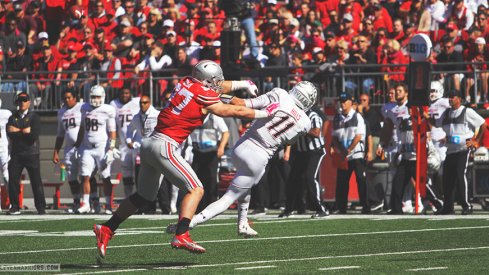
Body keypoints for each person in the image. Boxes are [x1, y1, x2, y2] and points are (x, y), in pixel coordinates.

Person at [94, 60, 266, 257]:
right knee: (196, 189)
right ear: (208, 81)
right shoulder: (203, 92)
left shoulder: (186, 82)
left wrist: (243, 84)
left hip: (149, 145)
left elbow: (218, 87)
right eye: (215, 81)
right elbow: (231, 110)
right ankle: (182, 234)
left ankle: (107, 228)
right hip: (164, 145)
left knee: (143, 196)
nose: (219, 83)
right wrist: (266, 113)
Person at [170, 81, 316, 238]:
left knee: (243, 187)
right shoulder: (306, 123)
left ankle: (243, 223)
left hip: (241, 146)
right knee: (229, 197)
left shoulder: (280, 94)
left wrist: (217, 95)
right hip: (259, 156)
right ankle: (189, 223)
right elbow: (289, 141)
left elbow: (240, 103)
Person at [429, 90, 486, 215]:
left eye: (452, 97)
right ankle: (448, 207)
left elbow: (483, 124)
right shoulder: (446, 113)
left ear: (459, 98)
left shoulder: (467, 112)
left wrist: (476, 141)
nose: (450, 99)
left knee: (461, 175)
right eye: (449, 97)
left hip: (463, 150)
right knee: (447, 179)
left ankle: (466, 205)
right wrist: (425, 117)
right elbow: (436, 124)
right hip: (450, 151)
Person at [75, 85, 118, 214]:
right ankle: (86, 203)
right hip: (87, 148)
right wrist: (77, 145)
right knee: (85, 176)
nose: (95, 99)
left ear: (103, 97)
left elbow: (113, 131)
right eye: (93, 97)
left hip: (102, 148)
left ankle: (108, 205)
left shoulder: (108, 110)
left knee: (105, 177)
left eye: (98, 97)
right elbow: (82, 128)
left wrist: (111, 148)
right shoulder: (84, 108)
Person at [280, 105, 329, 218]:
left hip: (315, 151)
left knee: (310, 177)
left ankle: (321, 208)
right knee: (292, 179)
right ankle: (289, 209)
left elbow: (317, 133)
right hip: (302, 152)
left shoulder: (313, 116)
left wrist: (301, 129)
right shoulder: (295, 118)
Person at [6, 92, 46, 215]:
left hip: (31, 153)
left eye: (25, 100)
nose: (22, 103)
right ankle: (15, 206)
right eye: (20, 100)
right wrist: (24, 131)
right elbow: (10, 133)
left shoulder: (34, 117)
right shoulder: (12, 117)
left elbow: (33, 136)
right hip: (16, 154)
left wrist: (18, 131)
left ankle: (40, 207)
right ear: (17, 102)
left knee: (36, 181)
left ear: (29, 102)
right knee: (12, 179)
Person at [331, 92, 370, 214]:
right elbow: (334, 138)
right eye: (341, 101)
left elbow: (359, 136)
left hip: (356, 153)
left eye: (345, 101)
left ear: (350, 102)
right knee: (342, 182)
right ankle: (341, 207)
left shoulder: (357, 116)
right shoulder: (337, 118)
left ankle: (366, 206)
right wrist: (341, 150)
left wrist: (348, 150)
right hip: (344, 155)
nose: (342, 104)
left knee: (360, 179)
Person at [190, 113, 229, 211]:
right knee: (196, 181)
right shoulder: (193, 116)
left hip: (211, 154)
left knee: (211, 180)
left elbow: (226, 132)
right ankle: (199, 206)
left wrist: (221, 147)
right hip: (197, 153)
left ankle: (211, 206)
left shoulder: (214, 117)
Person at [52, 90, 83, 212]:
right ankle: (76, 201)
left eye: (69, 97)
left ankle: (89, 201)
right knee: (71, 176)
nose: (67, 100)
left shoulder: (82, 107)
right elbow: (60, 134)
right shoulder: (61, 112)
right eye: (65, 98)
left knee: (86, 175)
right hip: (69, 148)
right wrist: (56, 151)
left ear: (75, 98)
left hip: (82, 147)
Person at [110, 86, 140, 198]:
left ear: (131, 93)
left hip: (136, 144)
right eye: (122, 93)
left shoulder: (137, 102)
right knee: (126, 173)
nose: (124, 95)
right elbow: (112, 126)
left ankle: (139, 198)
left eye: (127, 93)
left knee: (138, 172)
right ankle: (128, 197)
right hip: (124, 145)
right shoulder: (114, 104)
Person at [0, 99, 12, 210]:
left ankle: (13, 201)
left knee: (6, 176)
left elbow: (12, 129)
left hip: (3, 148)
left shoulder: (6, 113)